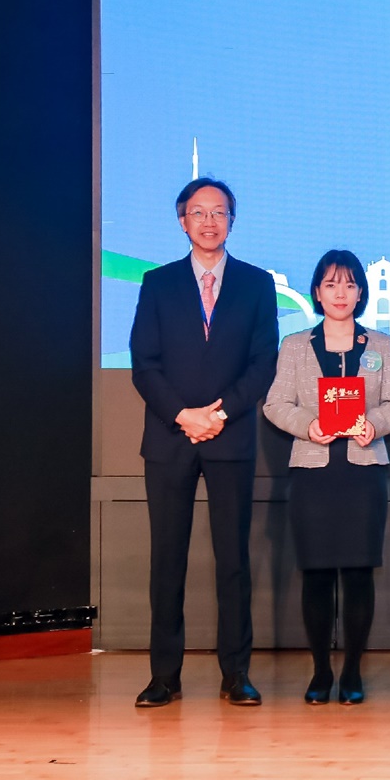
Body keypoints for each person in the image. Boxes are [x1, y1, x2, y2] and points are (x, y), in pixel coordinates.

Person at [129, 178, 278, 708]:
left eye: (219, 212)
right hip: (169, 438)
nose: (209, 221)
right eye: (199, 212)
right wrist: (182, 415)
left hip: (230, 436)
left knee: (233, 560)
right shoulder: (158, 282)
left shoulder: (257, 284)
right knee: (167, 560)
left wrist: (219, 414)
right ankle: (163, 676)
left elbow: (263, 363)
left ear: (231, 221)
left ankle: (236, 674)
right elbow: (144, 364)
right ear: (182, 221)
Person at [263, 250, 390, 705]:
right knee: (318, 574)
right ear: (317, 292)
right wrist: (309, 426)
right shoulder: (295, 345)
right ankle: (321, 672)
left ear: (360, 292)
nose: (340, 293)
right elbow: (275, 404)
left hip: (363, 472)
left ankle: (352, 672)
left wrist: (374, 425)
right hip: (314, 472)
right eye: (330, 284)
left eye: (348, 284)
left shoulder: (380, 344)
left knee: (359, 572)